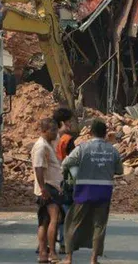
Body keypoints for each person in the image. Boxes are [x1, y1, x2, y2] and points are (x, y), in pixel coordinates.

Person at [60, 119, 122, 264]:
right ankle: (93, 259)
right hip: (104, 193)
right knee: (99, 225)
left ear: (90, 133)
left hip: (84, 191)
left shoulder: (82, 148)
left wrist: (74, 173)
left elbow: (66, 163)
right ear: (105, 134)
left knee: (72, 222)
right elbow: (119, 170)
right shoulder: (112, 151)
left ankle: (68, 257)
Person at [33, 117, 63, 264]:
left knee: (44, 221)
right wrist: (44, 188)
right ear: (44, 131)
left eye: (56, 130)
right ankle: (51, 253)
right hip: (48, 187)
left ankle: (43, 254)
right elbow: (38, 168)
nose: (55, 133)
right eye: (52, 130)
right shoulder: (41, 147)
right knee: (53, 219)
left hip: (49, 186)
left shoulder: (48, 144)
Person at [52, 106, 78, 254]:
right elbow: (72, 161)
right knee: (67, 213)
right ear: (62, 123)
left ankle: (46, 244)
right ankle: (63, 242)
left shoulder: (48, 137)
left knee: (52, 214)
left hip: (51, 179)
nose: (70, 125)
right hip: (64, 180)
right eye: (68, 122)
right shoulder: (67, 140)